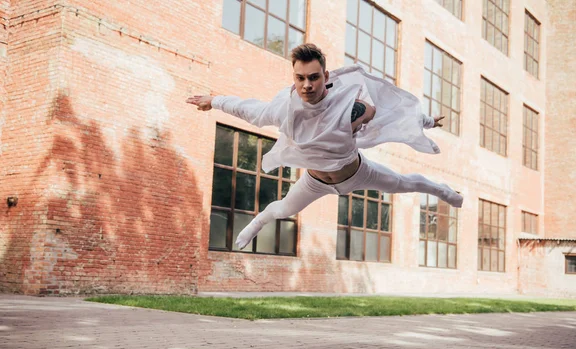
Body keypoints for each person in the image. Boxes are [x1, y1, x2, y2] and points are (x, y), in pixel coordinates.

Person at [187, 43, 463, 250]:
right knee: (283, 209)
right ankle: (256, 225)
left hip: (357, 172)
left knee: (403, 183)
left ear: (325, 75)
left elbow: (394, 115)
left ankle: (446, 192)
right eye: (300, 78)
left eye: (314, 77)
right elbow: (249, 109)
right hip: (315, 181)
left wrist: (426, 122)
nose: (307, 85)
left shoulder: (352, 105)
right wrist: (214, 100)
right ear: (293, 78)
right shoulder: (283, 109)